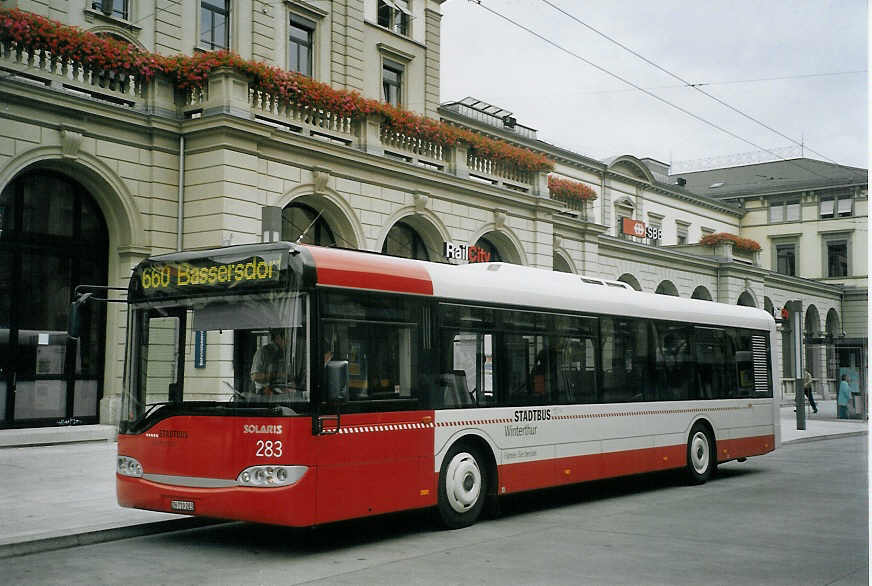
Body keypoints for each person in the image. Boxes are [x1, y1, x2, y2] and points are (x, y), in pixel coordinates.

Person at [251, 328, 289, 394]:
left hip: (280, 392)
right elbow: (255, 376)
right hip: (264, 393)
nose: (288, 342)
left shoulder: (283, 353)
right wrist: (277, 375)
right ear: (278, 338)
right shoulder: (263, 352)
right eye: (287, 339)